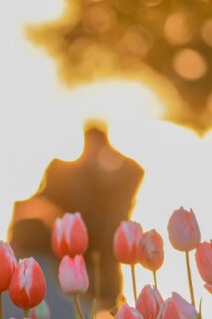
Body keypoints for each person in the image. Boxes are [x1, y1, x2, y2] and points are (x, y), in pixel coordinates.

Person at [10, 123, 143, 308]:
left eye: (98, 144)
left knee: (106, 311)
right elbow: (31, 203)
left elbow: (135, 170)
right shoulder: (64, 173)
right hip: (71, 258)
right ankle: (12, 266)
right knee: (26, 226)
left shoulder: (118, 180)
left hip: (103, 260)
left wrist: (107, 154)